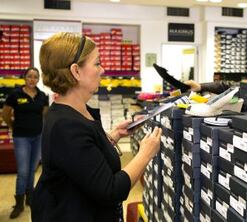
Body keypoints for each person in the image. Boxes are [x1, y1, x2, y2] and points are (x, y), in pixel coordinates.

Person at [31, 32, 161, 222]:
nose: (103, 70)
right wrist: (145, 154)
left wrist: (114, 135)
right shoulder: (65, 125)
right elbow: (110, 190)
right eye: (97, 63)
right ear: (76, 71)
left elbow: (83, 155)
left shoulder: (78, 111)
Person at [2, 67, 49, 219]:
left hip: (37, 137)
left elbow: (44, 115)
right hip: (21, 137)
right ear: (24, 78)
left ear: (38, 79)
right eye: (29, 76)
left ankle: (30, 197)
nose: (32, 79)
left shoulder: (42, 96)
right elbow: (6, 114)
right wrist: (12, 127)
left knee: (32, 169)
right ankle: (19, 203)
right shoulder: (15, 95)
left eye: (35, 77)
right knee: (23, 171)